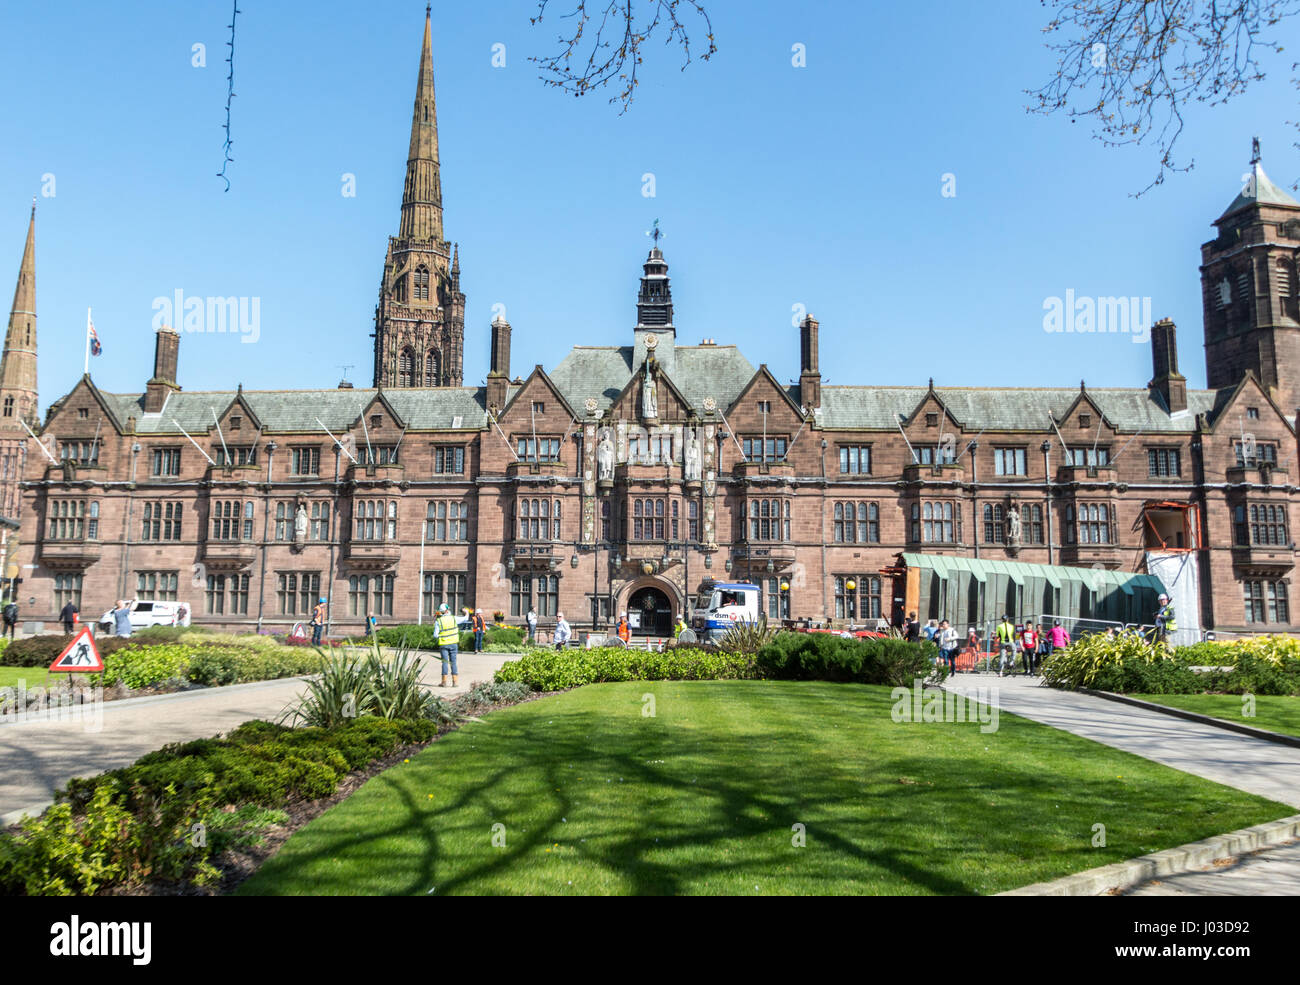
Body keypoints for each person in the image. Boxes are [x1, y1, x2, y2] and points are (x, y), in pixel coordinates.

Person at [435, 602, 460, 687]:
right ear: (447, 610)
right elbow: (465, 618)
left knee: (445, 663)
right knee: (453, 663)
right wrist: (466, 613)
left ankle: (444, 682)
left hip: (443, 644)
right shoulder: (454, 618)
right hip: (453, 643)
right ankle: (455, 682)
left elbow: (435, 635)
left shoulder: (438, 621)